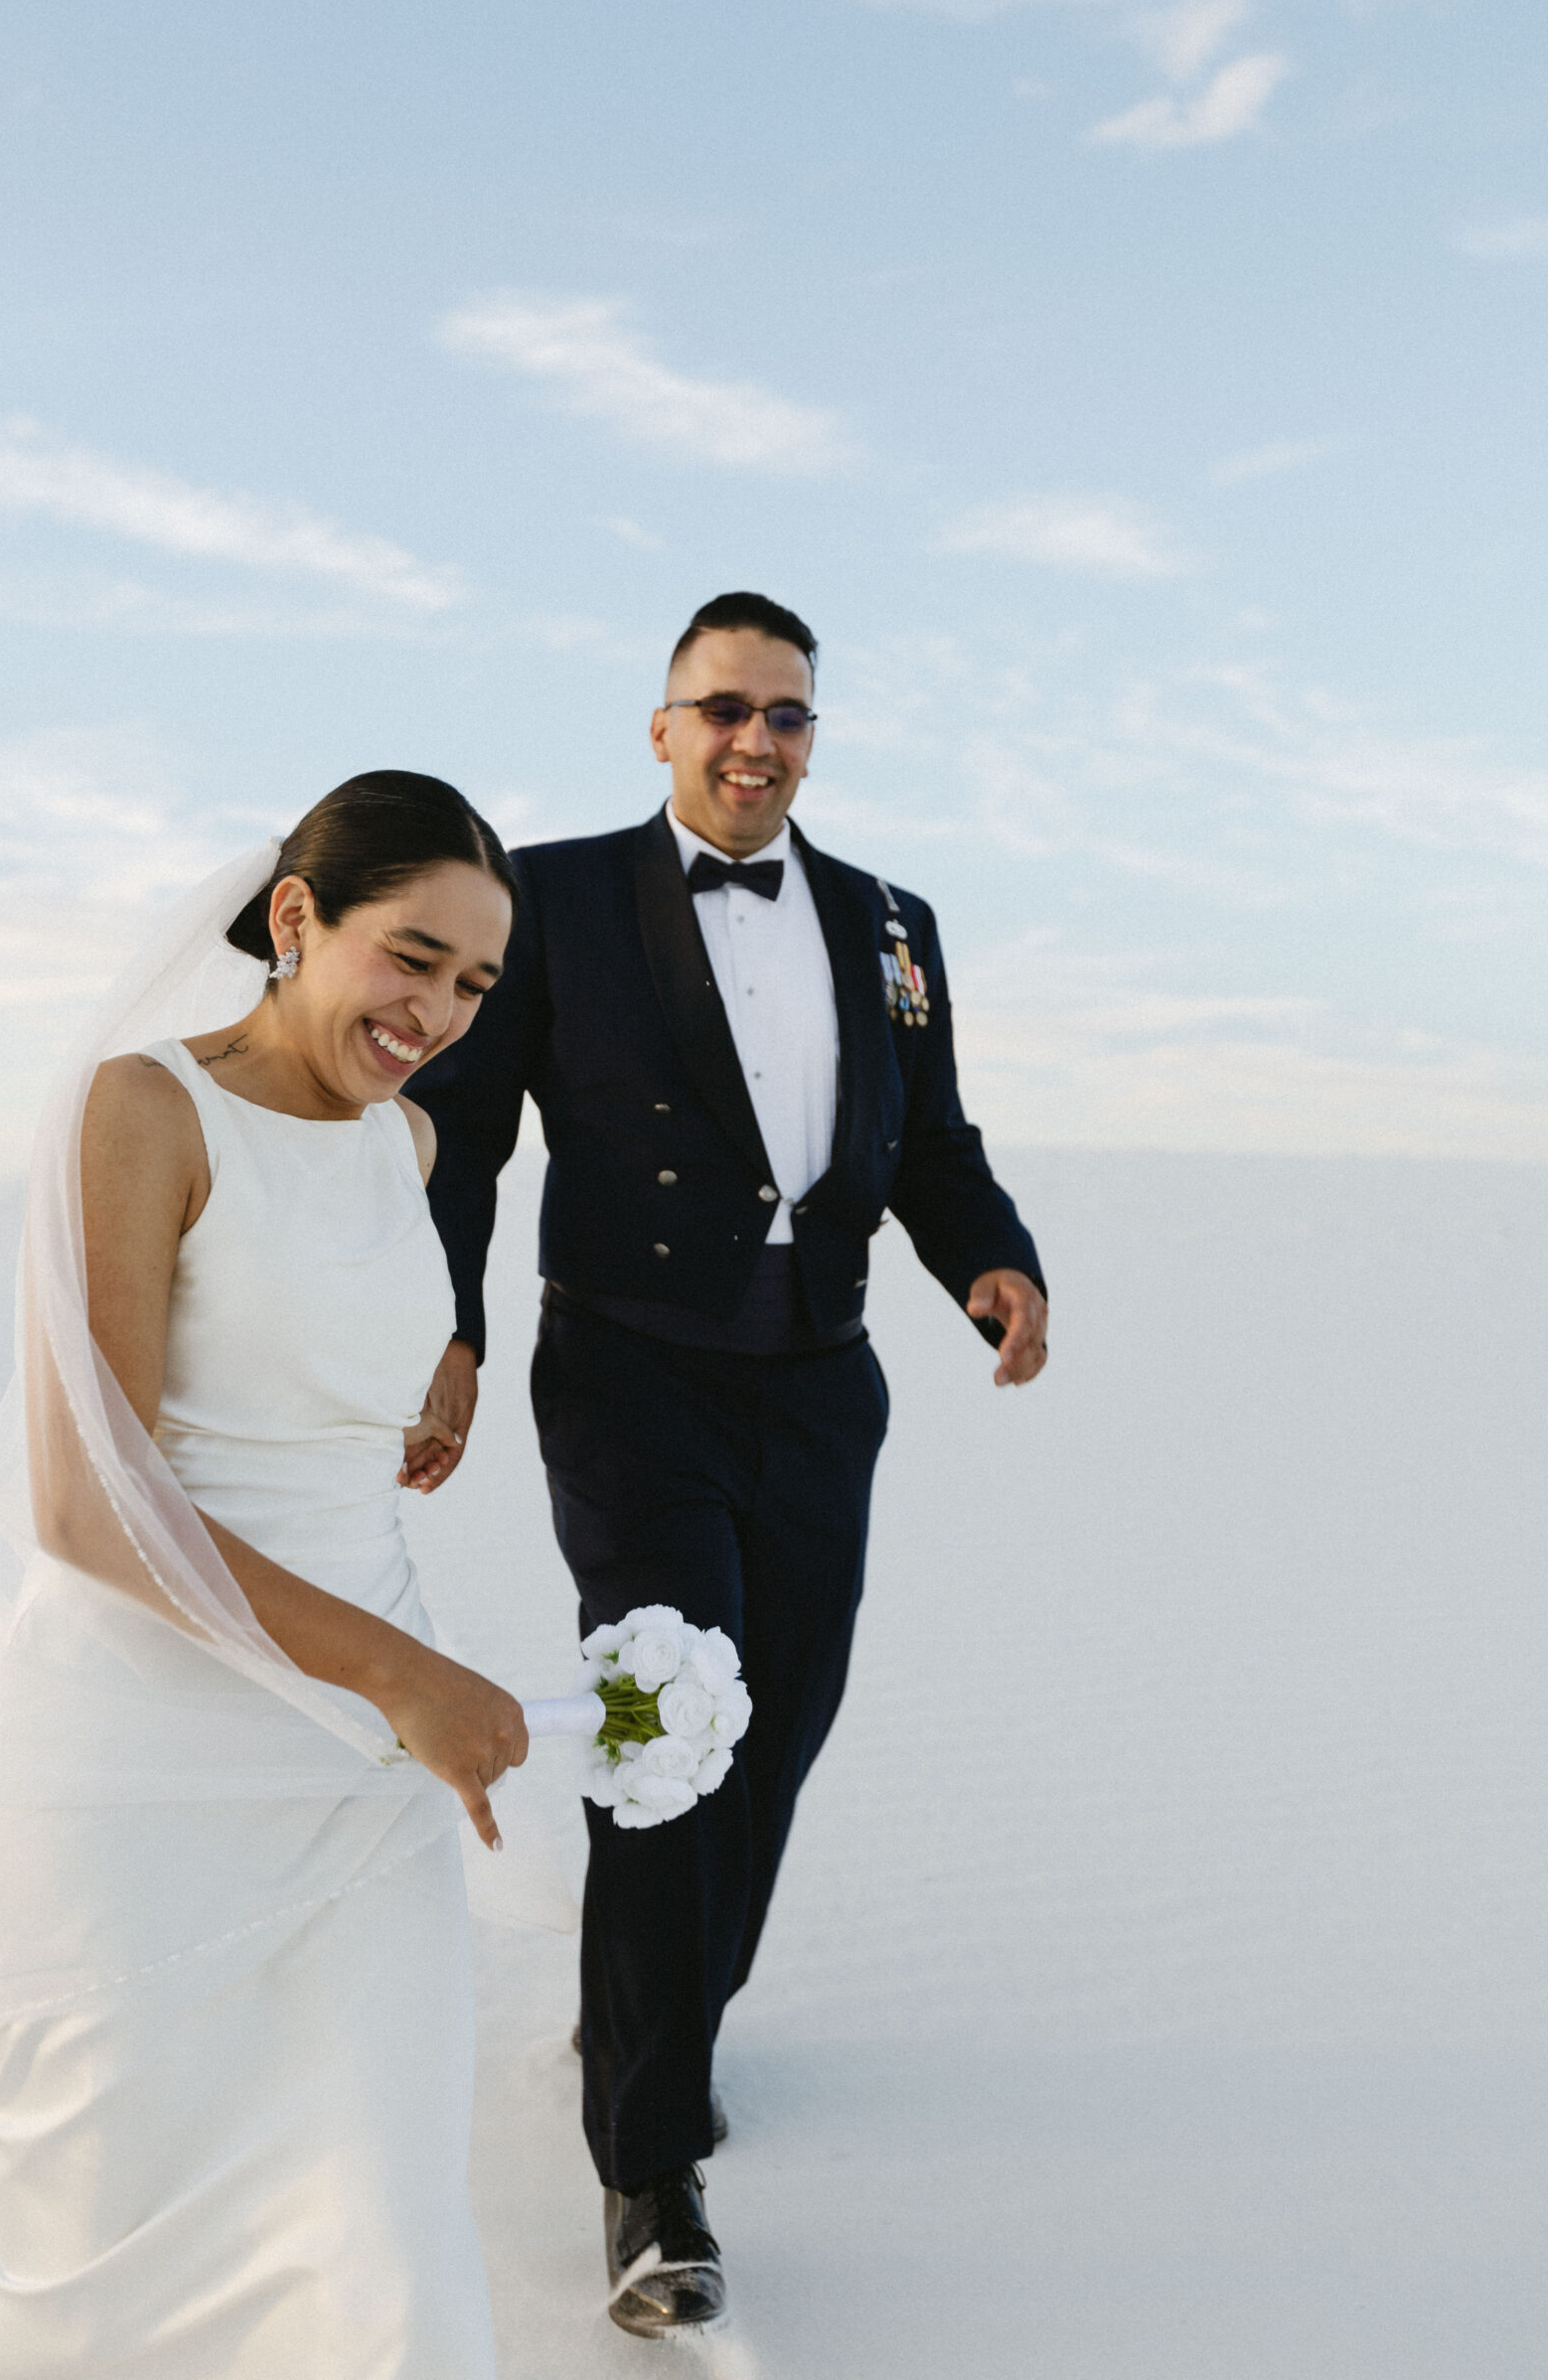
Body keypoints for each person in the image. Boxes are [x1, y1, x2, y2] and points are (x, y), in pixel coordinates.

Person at [406, 593, 1048, 2338]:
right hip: (624, 1377)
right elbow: (462, 1142)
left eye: (789, 715)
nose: (757, 740)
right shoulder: (550, 897)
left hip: (820, 1387)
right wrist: (449, 1330)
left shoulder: (891, 921)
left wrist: (992, 1256)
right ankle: (645, 2161)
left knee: (781, 1725)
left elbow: (935, 1141)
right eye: (724, 709)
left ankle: (652, 2011)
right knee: (663, 1721)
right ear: (662, 725)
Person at [0, 772, 529, 2380]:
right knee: (90, 2263)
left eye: (476, 984)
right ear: (296, 919)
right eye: (412, 957)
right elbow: (93, 1498)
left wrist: (432, 1378)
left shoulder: (417, 1137)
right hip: (136, 1768)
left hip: (359, 1787)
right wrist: (404, 1675)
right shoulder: (144, 1107)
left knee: (385, 2252)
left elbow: (321, 1360)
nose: (438, 1012)